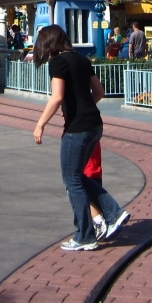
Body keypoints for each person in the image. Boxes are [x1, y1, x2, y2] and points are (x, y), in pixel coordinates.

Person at [32, 25, 130, 252]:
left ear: (48, 42)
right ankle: (114, 213)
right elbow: (99, 92)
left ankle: (85, 235)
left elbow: (57, 97)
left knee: (71, 180)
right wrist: (84, 108)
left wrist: (40, 124)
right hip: (95, 124)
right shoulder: (81, 59)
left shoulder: (57, 62)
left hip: (77, 128)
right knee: (76, 177)